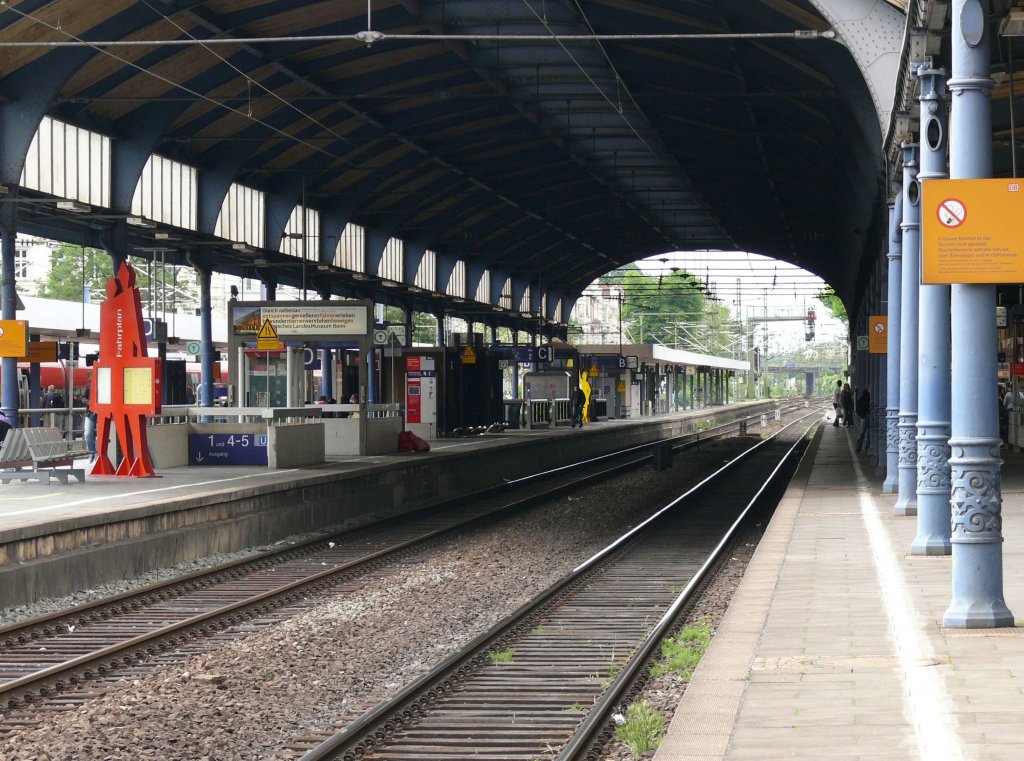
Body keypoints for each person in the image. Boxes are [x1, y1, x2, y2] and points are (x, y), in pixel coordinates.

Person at [82, 382, 97, 460]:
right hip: (90, 413)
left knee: (102, 435)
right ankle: (92, 453)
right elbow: (83, 398)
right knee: (87, 434)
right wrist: (88, 402)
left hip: (101, 413)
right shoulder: (89, 385)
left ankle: (97, 455)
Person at [855, 386, 872, 453]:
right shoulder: (869, 399)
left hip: (864, 417)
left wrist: (862, 415)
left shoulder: (861, 399)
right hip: (869, 415)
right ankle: (867, 446)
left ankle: (858, 447)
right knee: (869, 432)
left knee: (862, 432)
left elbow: (857, 410)